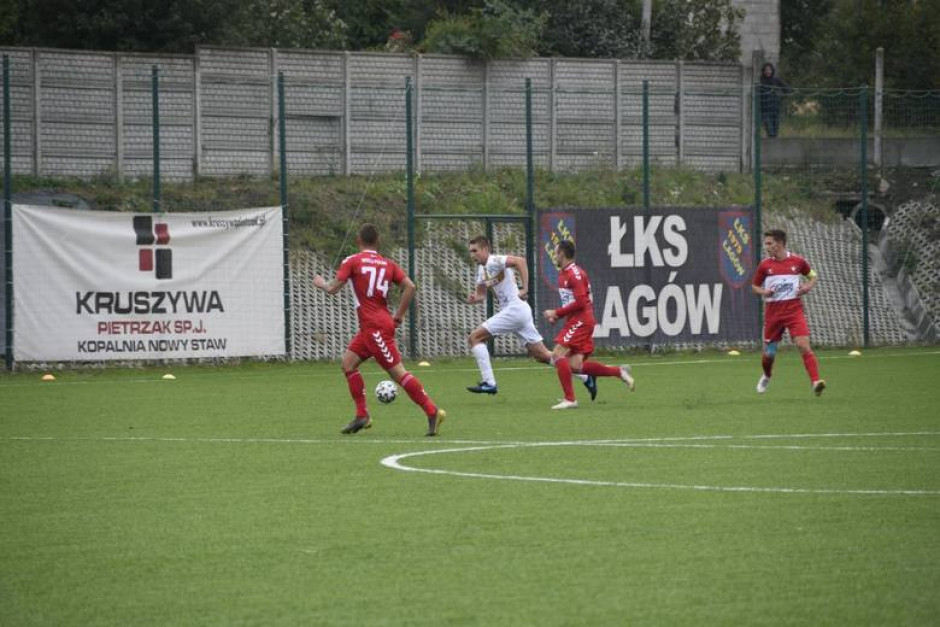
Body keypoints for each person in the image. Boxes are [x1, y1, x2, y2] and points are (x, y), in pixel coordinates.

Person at [313, 224, 447, 436]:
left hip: (375, 328)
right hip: (373, 326)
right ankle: (362, 415)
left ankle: (432, 411)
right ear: (378, 242)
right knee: (348, 364)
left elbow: (332, 288)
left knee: (398, 373)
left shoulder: (352, 261)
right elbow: (410, 286)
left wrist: (321, 283)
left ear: (358, 240)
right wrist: (399, 316)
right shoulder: (388, 264)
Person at [465, 236, 597, 399]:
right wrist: (474, 299)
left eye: (475, 251)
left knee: (474, 337)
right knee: (542, 355)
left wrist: (525, 288)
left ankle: (489, 382)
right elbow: (481, 294)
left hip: (514, 310)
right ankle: (586, 377)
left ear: (485, 249)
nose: (472, 255)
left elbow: (520, 261)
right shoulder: (481, 271)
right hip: (518, 312)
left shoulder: (495, 260)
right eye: (470, 251)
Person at [542, 240, 635, 410]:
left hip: (581, 321)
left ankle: (570, 399)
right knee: (575, 366)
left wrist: (556, 312)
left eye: (556, 252)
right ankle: (619, 372)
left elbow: (581, 302)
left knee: (557, 354)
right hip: (577, 320)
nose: (554, 256)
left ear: (562, 254)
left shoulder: (574, 274)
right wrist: (559, 316)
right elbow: (573, 302)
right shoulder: (564, 274)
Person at [751, 228, 826, 396]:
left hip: (794, 312)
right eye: (766, 243)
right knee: (769, 354)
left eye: (769, 243)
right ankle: (767, 375)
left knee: (803, 345)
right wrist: (764, 292)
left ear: (779, 244)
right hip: (773, 314)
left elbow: (813, 276)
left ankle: (815, 382)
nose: (766, 247)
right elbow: (754, 286)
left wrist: (807, 286)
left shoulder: (798, 262)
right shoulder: (765, 265)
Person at [759, 62, 790, 138]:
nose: (768, 71)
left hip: (775, 108)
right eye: (766, 70)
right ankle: (771, 140)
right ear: (763, 71)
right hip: (765, 110)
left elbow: (787, 89)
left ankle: (774, 142)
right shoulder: (761, 81)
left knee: (775, 131)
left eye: (769, 70)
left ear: (772, 70)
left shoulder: (776, 80)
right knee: (770, 131)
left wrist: (780, 96)